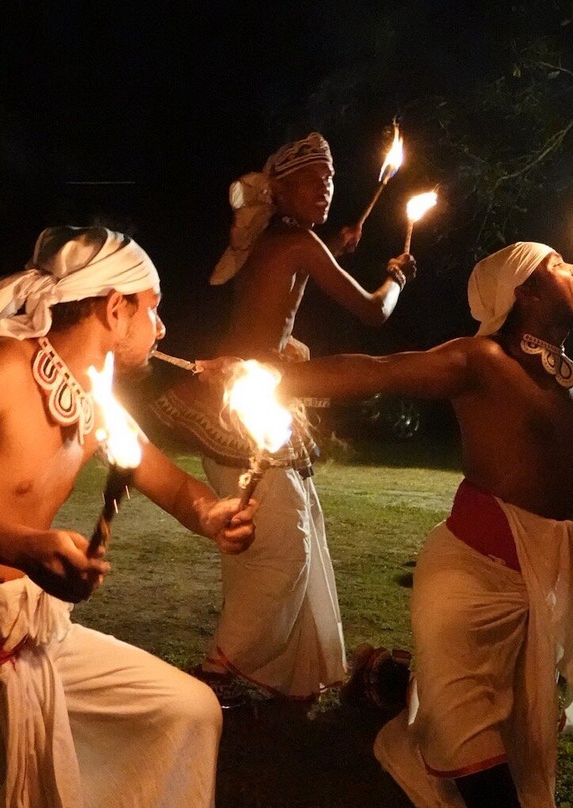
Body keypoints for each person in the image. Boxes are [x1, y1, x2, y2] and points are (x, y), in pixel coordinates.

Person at [0, 226, 258, 808]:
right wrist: (23, 547)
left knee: (186, 708)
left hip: (30, 635)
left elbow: (168, 483)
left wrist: (212, 512)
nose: (162, 328)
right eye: (152, 308)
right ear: (115, 309)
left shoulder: (95, 399)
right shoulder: (0, 368)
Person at [244, 241, 573, 807]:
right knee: (466, 722)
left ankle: (406, 714)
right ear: (525, 292)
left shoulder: (570, 379)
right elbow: (380, 370)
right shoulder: (480, 359)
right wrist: (272, 375)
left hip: (536, 582)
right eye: (557, 265)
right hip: (470, 579)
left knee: (508, 718)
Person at [150, 131, 417, 700]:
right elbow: (374, 312)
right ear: (280, 189)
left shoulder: (279, 239)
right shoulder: (297, 243)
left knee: (288, 531)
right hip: (242, 404)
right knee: (284, 546)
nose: (327, 189)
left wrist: (332, 248)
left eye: (331, 180)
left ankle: (294, 672)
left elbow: (289, 277)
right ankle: (218, 671)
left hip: (246, 397)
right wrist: (396, 276)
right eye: (314, 180)